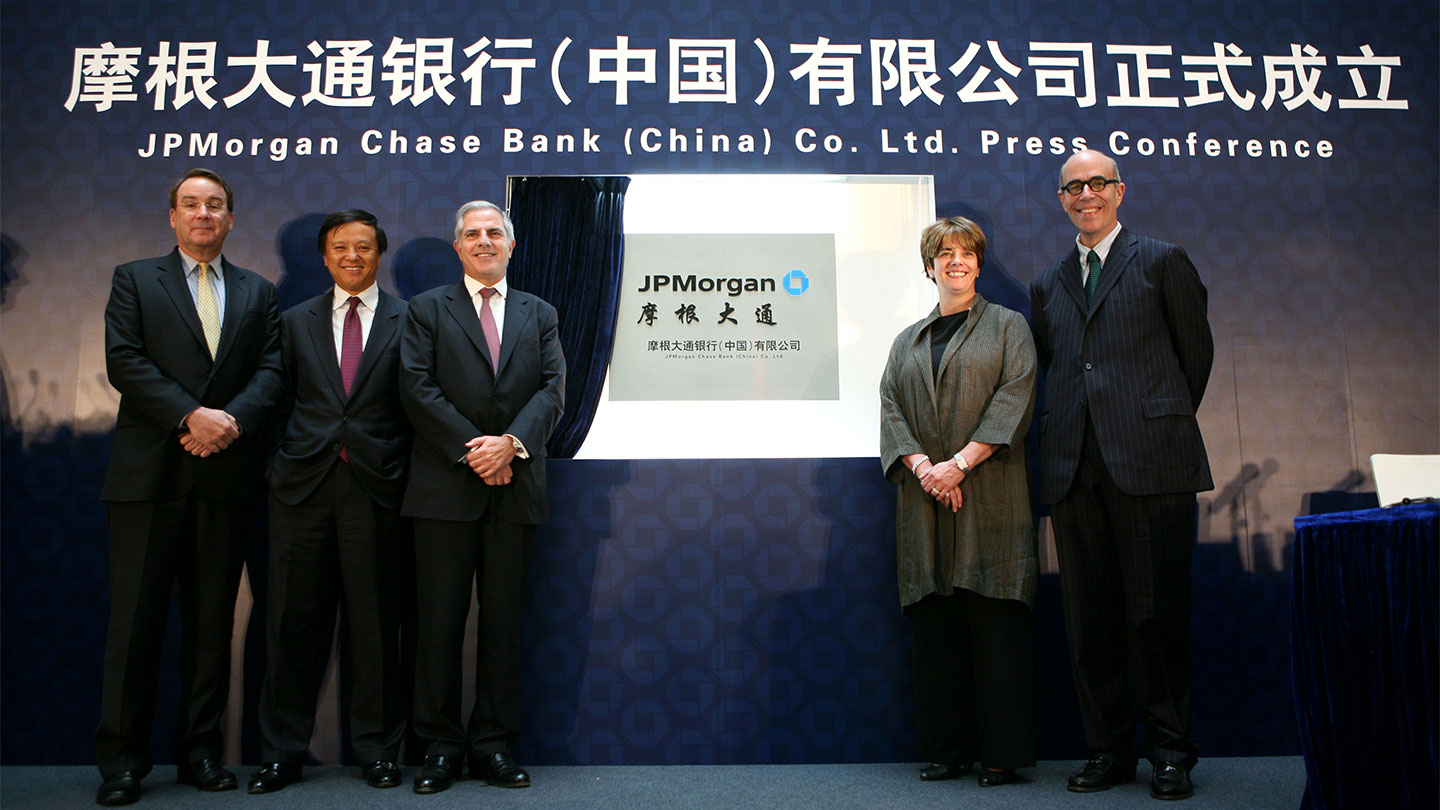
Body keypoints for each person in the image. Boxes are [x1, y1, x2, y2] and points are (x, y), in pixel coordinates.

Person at [1029, 149, 1214, 801]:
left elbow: (1195, 359)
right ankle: (1108, 750)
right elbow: (1057, 365)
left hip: (1152, 463)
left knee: (1157, 616)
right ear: (1061, 200)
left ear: (1119, 191)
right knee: (1090, 622)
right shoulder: (1047, 284)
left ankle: (1171, 751)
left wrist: (1149, 423)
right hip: (1073, 468)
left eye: (1097, 183)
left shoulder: (1162, 261)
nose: (1086, 194)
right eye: (1073, 187)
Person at [95, 168, 283, 806]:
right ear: (172, 216)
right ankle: (122, 762)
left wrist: (228, 423)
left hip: (224, 478)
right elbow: (124, 359)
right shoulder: (134, 279)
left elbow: (272, 370)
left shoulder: (258, 291)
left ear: (231, 218)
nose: (204, 214)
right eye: (192, 204)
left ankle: (200, 753)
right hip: (149, 479)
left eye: (215, 205)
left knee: (210, 627)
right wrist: (189, 416)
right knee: (135, 626)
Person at [398, 200, 565, 794]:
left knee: (503, 625)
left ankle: (494, 743)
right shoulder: (425, 310)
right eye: (473, 234)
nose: (485, 241)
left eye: (495, 232)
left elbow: (553, 389)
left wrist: (510, 445)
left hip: (515, 489)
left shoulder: (540, 313)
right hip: (445, 489)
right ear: (458, 247)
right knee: (437, 623)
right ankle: (439, 747)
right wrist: (476, 451)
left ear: (512, 245)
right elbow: (415, 388)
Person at [250, 210, 410, 793]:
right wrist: (278, 467)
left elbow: (418, 404)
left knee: (376, 628)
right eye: (340, 247)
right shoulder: (293, 321)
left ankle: (378, 751)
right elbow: (273, 400)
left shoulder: (410, 319)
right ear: (324, 257)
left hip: (377, 488)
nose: (352, 256)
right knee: (292, 626)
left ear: (379, 253)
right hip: (303, 491)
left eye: (363, 246)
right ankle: (282, 753)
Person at [879, 216, 1038, 789]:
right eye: (944, 254)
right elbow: (890, 407)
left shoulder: (1008, 326)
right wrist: (925, 468)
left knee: (995, 626)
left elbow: (1015, 397)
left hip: (990, 495)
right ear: (929, 267)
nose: (955, 262)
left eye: (965, 253)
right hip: (926, 500)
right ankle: (947, 750)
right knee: (938, 626)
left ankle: (1001, 755)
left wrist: (959, 465)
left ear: (978, 263)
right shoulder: (907, 340)